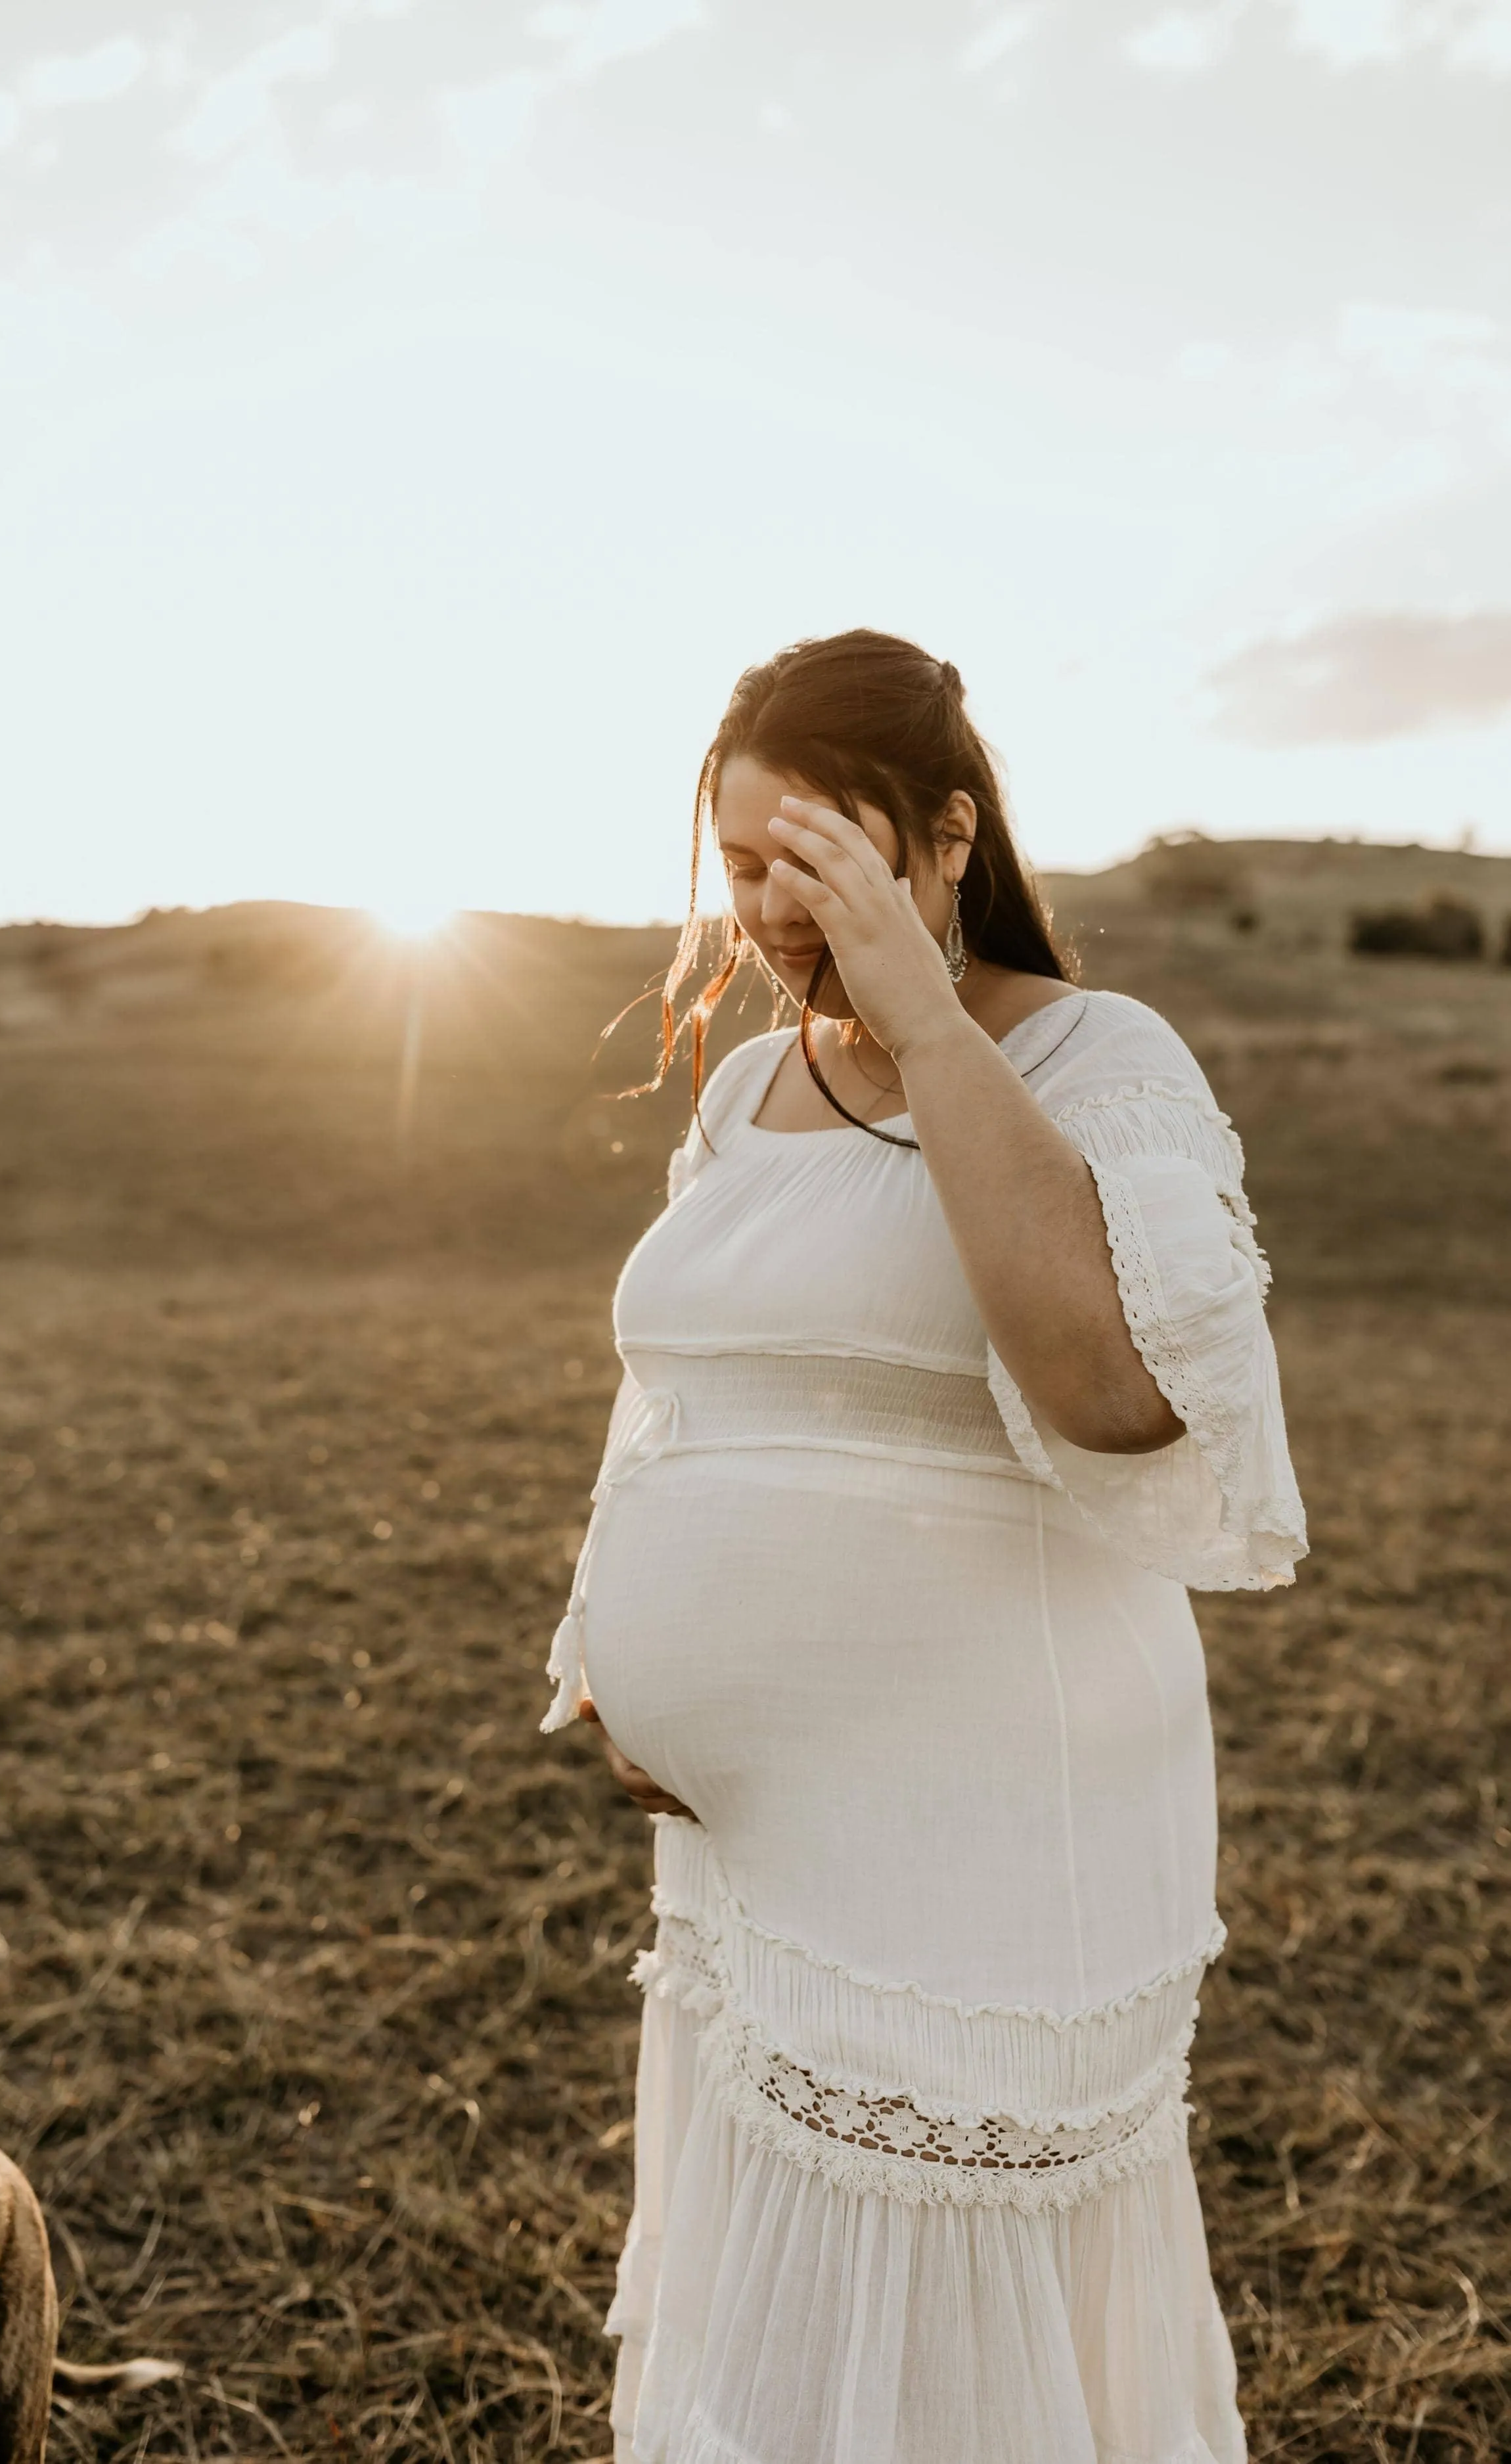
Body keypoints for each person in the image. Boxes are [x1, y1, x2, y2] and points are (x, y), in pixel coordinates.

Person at [542, 629, 1305, 2464]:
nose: (778, 913)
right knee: (789, 2329)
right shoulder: (744, 1091)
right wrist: (610, 1656)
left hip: (980, 1823)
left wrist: (928, 1014)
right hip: (753, 1855)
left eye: (820, 863)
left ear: (946, 833)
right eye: (744, 871)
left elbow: (1113, 1384)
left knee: (941, 2313)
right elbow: (677, 1394)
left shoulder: (1096, 1056)